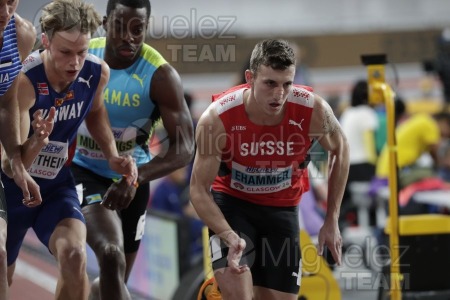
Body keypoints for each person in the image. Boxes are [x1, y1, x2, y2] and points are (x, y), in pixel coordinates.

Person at [190, 39, 350, 300]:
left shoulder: (313, 109)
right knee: (238, 294)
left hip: (282, 210)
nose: (279, 94)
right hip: (232, 207)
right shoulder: (216, 118)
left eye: (287, 84)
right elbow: (198, 189)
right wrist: (227, 234)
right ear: (250, 78)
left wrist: (331, 219)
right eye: (270, 84)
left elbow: (341, 149)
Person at [0, 1, 137, 299]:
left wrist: (112, 155)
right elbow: (13, 166)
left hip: (56, 185)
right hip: (13, 189)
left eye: (81, 51)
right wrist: (38, 139)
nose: (74, 62)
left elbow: (96, 111)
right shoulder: (25, 82)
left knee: (76, 256)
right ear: (46, 41)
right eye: (65, 52)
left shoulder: (96, 72)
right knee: (3, 277)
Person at [69, 0, 195, 299]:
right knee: (111, 254)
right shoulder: (82, 55)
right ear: (104, 22)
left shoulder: (160, 76)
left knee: (115, 279)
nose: (129, 37)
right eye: (120, 27)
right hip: (82, 169)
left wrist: (136, 177)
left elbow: (186, 146)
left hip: (132, 179)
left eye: (138, 29)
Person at [0, 0, 44, 298]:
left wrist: (16, 161)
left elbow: (6, 105)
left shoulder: (20, 35)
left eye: (11, 2)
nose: (5, 13)